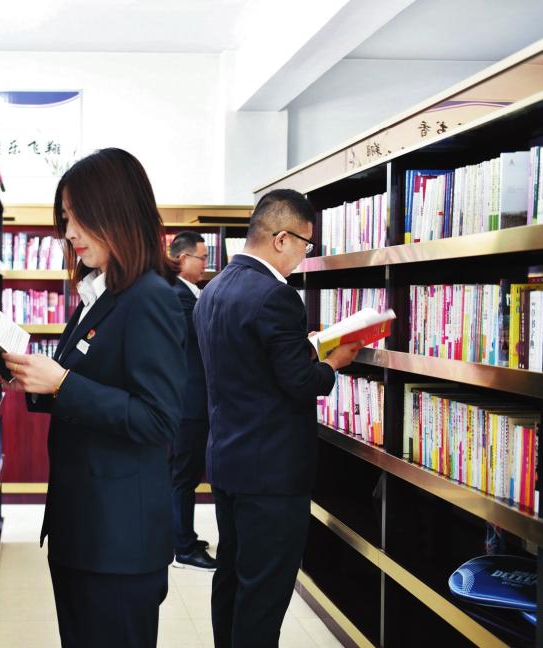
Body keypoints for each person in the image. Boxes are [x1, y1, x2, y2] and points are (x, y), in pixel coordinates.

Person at [0, 148, 187, 648]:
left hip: (118, 543)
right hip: (83, 529)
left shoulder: (151, 298)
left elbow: (158, 419)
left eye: (80, 218)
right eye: (65, 219)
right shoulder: (101, 294)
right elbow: (85, 383)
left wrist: (62, 384)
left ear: (118, 213)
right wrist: (34, 383)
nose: (70, 233)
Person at [193, 188, 361, 648]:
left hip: (228, 461)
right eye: (306, 244)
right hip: (271, 473)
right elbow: (301, 383)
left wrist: (301, 348)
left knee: (232, 574)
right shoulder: (276, 297)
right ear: (282, 238)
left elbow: (251, 364)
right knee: (264, 591)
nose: (305, 255)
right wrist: (332, 363)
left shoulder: (214, 289)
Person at [167, 231, 217, 571]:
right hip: (188, 402)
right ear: (183, 258)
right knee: (182, 476)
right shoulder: (179, 297)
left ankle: (183, 535)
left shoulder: (190, 293)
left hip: (192, 400)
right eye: (202, 258)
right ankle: (182, 546)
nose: (206, 265)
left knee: (184, 474)